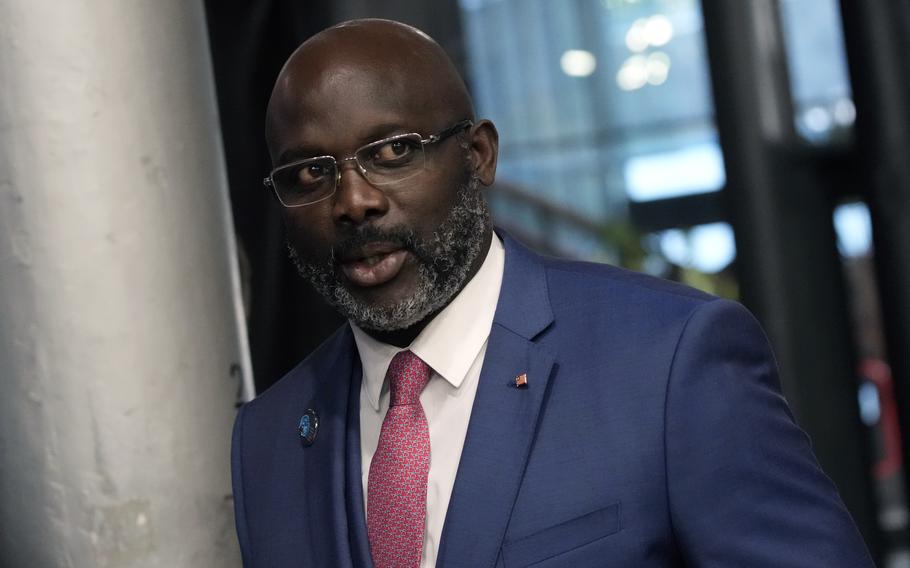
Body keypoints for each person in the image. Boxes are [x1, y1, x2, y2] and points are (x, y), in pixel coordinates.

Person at [231, 18, 874, 567]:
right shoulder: (269, 440)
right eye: (310, 172)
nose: (354, 201)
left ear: (479, 155)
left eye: (394, 150)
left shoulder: (667, 363)